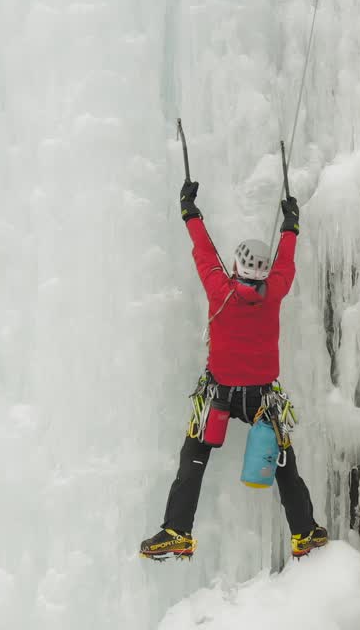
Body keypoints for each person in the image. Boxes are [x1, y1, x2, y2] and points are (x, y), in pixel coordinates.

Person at [139, 180, 328, 560]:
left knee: (194, 455)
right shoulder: (274, 290)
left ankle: (177, 530)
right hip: (262, 399)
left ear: (238, 266)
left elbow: (204, 252)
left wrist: (189, 210)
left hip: (221, 395)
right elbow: (286, 261)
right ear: (262, 272)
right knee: (283, 462)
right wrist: (290, 224)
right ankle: (304, 532)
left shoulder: (218, 290)